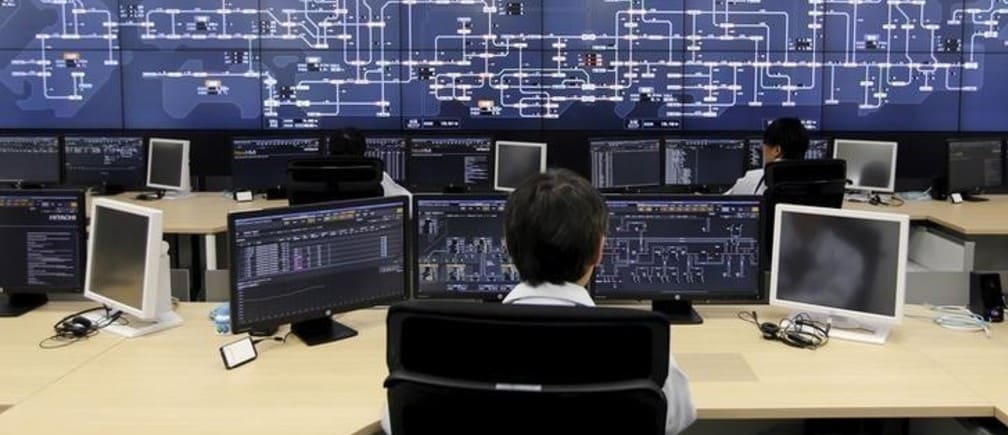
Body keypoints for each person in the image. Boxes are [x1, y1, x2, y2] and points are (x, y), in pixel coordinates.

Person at [380, 169, 696, 435]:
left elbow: (394, 420)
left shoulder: (436, 341)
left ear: (508, 249)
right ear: (600, 251)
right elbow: (677, 417)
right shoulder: (641, 343)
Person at [727, 118, 810, 195]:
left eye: (765, 146)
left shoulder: (752, 180)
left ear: (776, 150)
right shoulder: (817, 183)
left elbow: (720, 202)